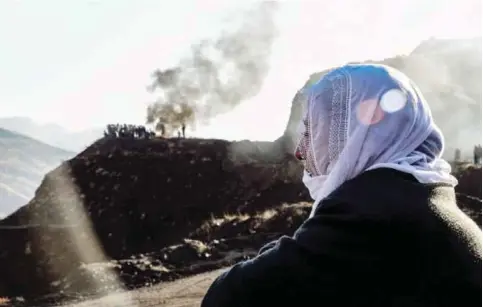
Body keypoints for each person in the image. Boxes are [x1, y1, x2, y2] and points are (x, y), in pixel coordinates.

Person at [201, 64, 482, 307]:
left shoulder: (370, 215)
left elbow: (228, 297)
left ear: (355, 132)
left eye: (312, 131)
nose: (300, 150)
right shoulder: (424, 195)